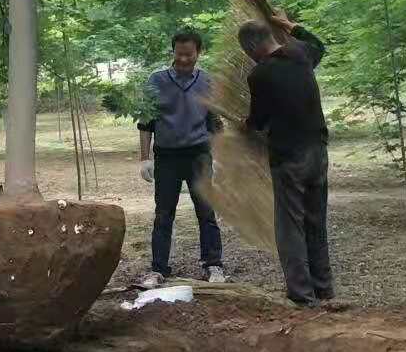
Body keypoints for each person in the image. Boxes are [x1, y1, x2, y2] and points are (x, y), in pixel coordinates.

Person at [238, 16, 333, 307]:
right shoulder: (301, 54)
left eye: (246, 51)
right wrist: (289, 24)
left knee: (290, 225)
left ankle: (302, 296)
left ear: (253, 45)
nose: (248, 57)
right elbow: (319, 44)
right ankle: (324, 289)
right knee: (316, 221)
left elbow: (259, 121)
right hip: (318, 151)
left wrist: (245, 126)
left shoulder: (260, 75)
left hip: (289, 157)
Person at [137, 27, 225, 286]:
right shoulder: (156, 80)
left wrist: (218, 155)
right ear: (173, 52)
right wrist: (144, 158)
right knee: (164, 213)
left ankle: (213, 265)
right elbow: (145, 123)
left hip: (199, 154)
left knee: (206, 211)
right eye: (179, 54)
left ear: (199, 52)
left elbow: (215, 122)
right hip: (167, 157)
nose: (184, 59)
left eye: (189, 54)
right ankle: (158, 268)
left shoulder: (207, 81)